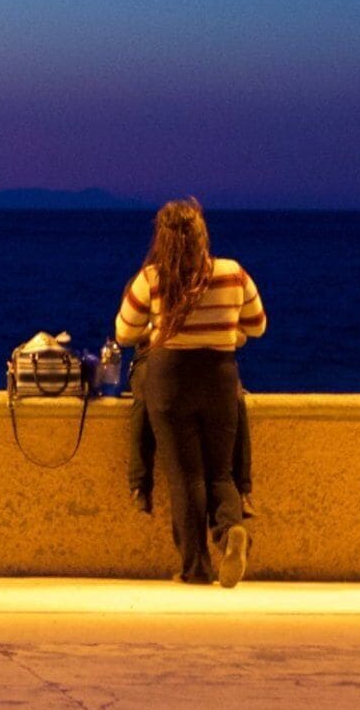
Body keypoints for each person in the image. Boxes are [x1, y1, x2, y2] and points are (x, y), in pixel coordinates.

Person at [112, 198, 265, 587]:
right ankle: (231, 528)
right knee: (220, 471)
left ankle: (196, 568)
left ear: (161, 238)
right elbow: (257, 325)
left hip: (170, 380)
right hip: (219, 377)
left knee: (185, 477)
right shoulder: (232, 273)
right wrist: (228, 332)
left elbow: (124, 333)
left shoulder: (151, 277)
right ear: (202, 234)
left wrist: (154, 330)